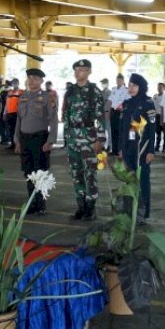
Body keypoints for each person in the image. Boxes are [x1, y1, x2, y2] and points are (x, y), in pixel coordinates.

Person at [64, 59, 106, 220]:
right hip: (73, 137)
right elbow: (66, 113)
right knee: (76, 173)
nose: (77, 73)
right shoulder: (70, 91)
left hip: (88, 137)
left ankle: (90, 208)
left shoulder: (94, 91)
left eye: (81, 70)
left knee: (90, 173)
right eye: (76, 70)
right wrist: (67, 135)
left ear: (89, 72)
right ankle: (80, 206)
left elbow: (100, 117)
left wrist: (100, 139)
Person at [14, 68, 58, 215]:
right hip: (25, 139)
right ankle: (32, 202)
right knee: (28, 172)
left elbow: (54, 120)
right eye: (30, 78)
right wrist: (17, 140)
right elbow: (18, 120)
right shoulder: (23, 97)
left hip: (40, 139)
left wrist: (50, 141)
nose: (32, 81)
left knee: (40, 173)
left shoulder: (47, 97)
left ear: (41, 81)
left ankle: (41, 204)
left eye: (35, 78)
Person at [119, 73, 156, 223]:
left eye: (134, 85)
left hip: (142, 149)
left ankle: (142, 214)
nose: (131, 88)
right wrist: (121, 148)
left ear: (141, 87)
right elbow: (123, 128)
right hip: (128, 148)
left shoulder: (148, 103)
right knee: (129, 180)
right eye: (129, 85)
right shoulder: (127, 103)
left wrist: (151, 150)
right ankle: (130, 212)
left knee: (143, 181)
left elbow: (152, 128)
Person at [109, 73, 128, 155]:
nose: (118, 81)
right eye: (117, 80)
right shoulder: (113, 89)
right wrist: (108, 112)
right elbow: (110, 101)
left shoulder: (126, 90)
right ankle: (114, 150)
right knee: (113, 131)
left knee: (120, 132)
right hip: (113, 111)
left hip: (121, 112)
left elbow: (128, 102)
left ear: (123, 81)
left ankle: (120, 150)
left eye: (120, 80)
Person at [4, 78, 22, 150]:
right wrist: (5, 113)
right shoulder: (9, 92)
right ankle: (12, 144)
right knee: (11, 130)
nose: (14, 84)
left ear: (18, 83)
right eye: (13, 83)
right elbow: (7, 103)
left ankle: (18, 145)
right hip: (9, 113)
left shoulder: (21, 92)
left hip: (17, 114)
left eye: (15, 83)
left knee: (17, 130)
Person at [99, 78, 112, 150]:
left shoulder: (110, 93)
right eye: (102, 83)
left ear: (107, 83)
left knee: (109, 131)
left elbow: (110, 104)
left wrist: (109, 114)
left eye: (104, 83)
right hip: (101, 114)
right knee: (102, 132)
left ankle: (110, 146)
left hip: (107, 113)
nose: (102, 84)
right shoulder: (100, 93)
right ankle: (103, 146)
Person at [153, 82, 165, 152]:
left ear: (163, 88)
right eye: (158, 87)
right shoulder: (155, 96)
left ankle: (164, 147)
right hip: (156, 115)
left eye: (160, 87)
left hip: (163, 116)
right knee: (157, 132)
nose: (159, 88)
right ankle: (157, 146)